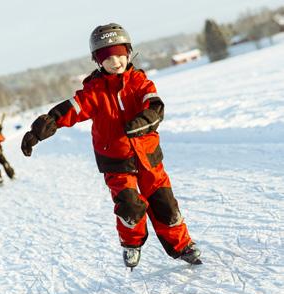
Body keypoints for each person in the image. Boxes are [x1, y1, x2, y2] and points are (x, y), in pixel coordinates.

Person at [21, 23, 202, 268]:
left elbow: (155, 106)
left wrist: (146, 120)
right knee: (130, 205)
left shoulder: (140, 82)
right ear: (98, 61)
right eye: (107, 58)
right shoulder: (93, 92)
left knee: (164, 204)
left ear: (128, 53)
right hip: (115, 160)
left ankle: (182, 246)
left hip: (147, 155)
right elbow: (68, 111)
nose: (115, 62)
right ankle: (131, 244)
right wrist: (38, 131)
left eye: (119, 55)